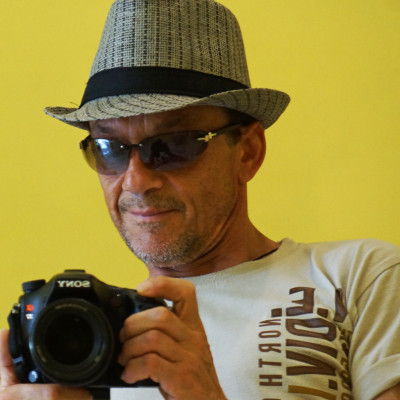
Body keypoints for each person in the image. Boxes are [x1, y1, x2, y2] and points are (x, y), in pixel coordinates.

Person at [1, 0, 400, 399]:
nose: (136, 181)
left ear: (248, 152)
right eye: (109, 148)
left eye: (172, 145)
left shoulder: (359, 277)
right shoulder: (89, 344)